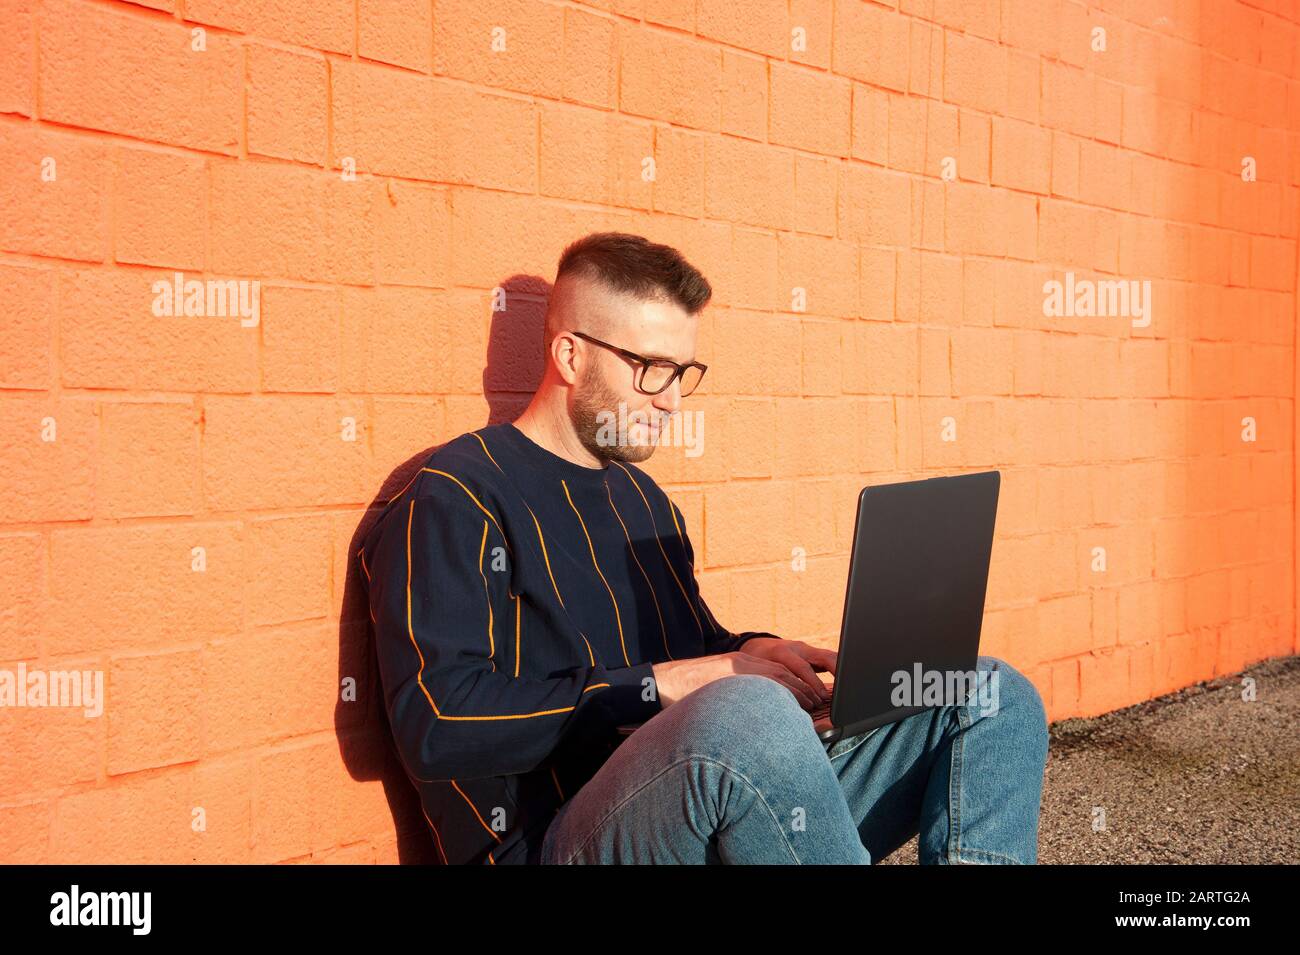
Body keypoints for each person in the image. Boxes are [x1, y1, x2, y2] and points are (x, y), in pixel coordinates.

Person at [357, 231, 1049, 864]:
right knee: (745, 714)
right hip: (550, 842)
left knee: (985, 690)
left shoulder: (642, 500)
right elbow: (436, 722)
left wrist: (761, 655)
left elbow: (696, 651)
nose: (671, 402)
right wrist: (681, 684)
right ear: (570, 354)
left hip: (701, 805)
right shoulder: (454, 496)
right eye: (650, 367)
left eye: (683, 372)